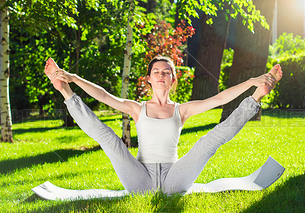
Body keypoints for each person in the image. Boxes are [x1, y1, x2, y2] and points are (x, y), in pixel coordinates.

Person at [44, 55, 282, 194]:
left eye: (166, 72)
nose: (160, 75)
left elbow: (219, 99)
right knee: (109, 140)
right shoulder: (137, 108)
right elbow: (105, 96)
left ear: (172, 79)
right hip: (140, 177)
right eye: (155, 71)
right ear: (148, 78)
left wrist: (252, 83)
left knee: (209, 141)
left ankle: (257, 97)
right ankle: (65, 92)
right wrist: (72, 79)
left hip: (174, 177)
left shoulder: (182, 109)